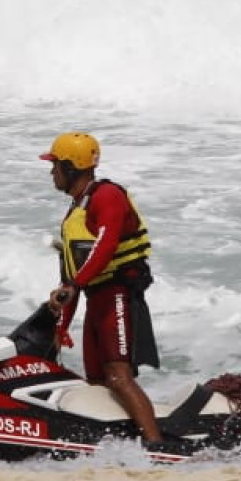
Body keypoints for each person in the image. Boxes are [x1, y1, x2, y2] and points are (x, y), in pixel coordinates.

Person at [37, 131, 175, 451]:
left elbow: (106, 244)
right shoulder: (76, 211)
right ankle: (115, 443)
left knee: (118, 376)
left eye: (55, 165)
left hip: (116, 296)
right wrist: (61, 324)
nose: (51, 172)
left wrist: (74, 286)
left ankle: (157, 447)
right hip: (95, 300)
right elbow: (71, 277)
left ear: (72, 167)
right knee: (96, 382)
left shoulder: (107, 196)